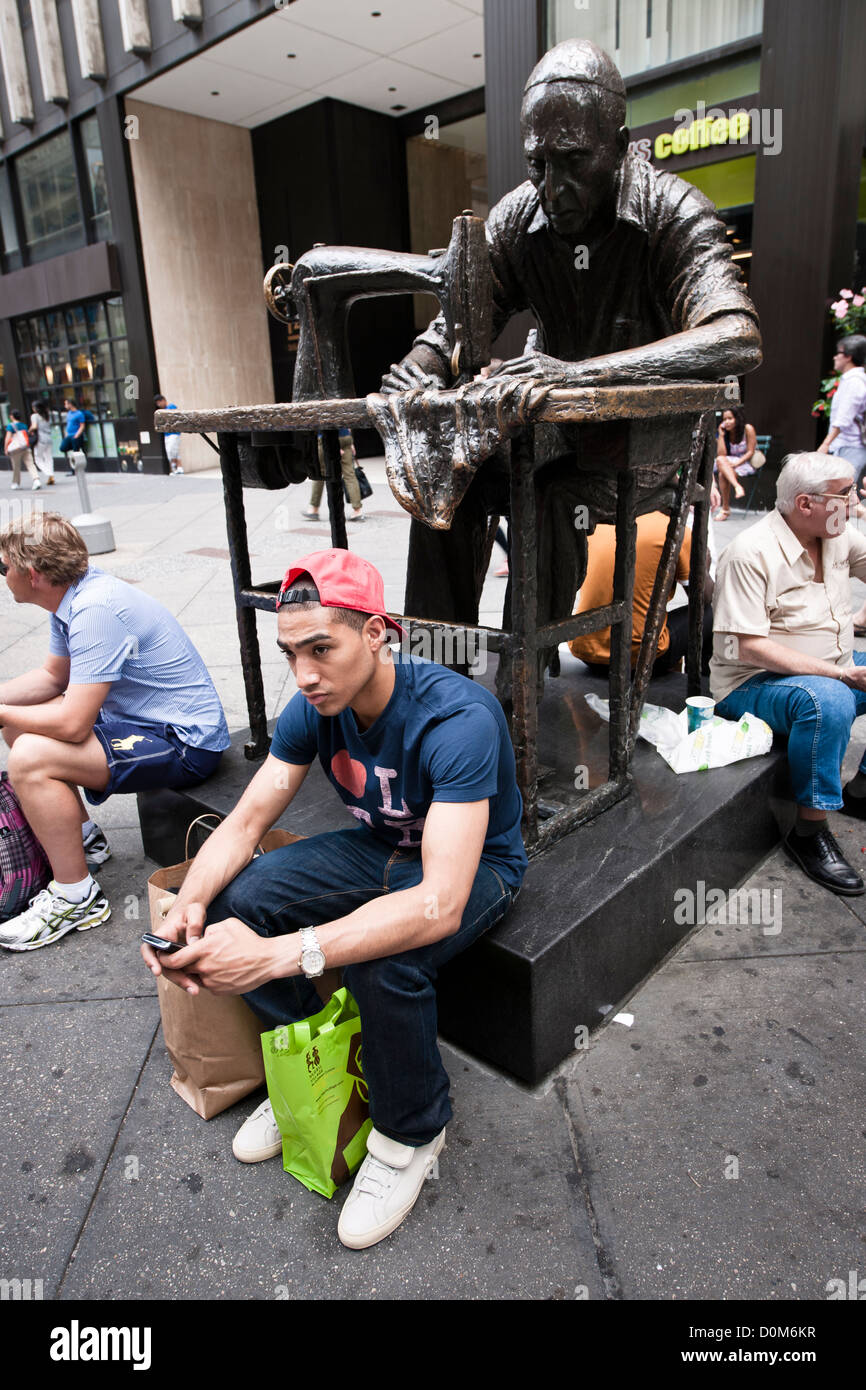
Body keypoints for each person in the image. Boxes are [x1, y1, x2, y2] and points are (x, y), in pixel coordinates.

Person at [141, 548, 527, 1249]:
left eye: (322, 648)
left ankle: (411, 1133)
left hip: (475, 868)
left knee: (390, 959)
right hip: (380, 850)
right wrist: (184, 910)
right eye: (291, 653)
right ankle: (306, 1060)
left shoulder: (457, 718)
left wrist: (280, 958)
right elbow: (249, 820)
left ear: (377, 633)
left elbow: (439, 901)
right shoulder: (314, 706)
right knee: (242, 894)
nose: (305, 674)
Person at [382, 38, 760, 670]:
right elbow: (460, 319)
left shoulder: (673, 212)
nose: (552, 188)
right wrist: (420, 367)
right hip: (554, 429)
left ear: (619, 142)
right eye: (537, 164)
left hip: (649, 446)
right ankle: (435, 671)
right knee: (451, 481)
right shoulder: (518, 218)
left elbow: (736, 334)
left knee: (549, 492)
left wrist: (579, 375)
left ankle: (515, 685)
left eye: (572, 161)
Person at [0, 512, 230, 951]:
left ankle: (76, 897)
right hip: (141, 720)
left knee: (29, 754)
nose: (2, 575)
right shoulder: (71, 596)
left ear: (31, 574)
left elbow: (71, 722)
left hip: (185, 741)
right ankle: (83, 842)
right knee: (18, 726)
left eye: (2, 567)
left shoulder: (95, 610)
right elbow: (53, 678)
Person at [710, 452, 866, 896]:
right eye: (845, 494)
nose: (853, 503)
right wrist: (841, 677)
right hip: (752, 685)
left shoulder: (836, 533)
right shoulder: (750, 553)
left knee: (832, 689)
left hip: (833, 669)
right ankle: (808, 832)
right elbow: (743, 645)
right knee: (829, 699)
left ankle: (862, 791)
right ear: (805, 503)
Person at [569, 510, 714, 676]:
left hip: (585, 648)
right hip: (640, 658)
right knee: (713, 613)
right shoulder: (676, 529)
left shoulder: (602, 521)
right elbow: (703, 598)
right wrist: (704, 567)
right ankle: (699, 690)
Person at [817, 333, 866, 489]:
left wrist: (825, 444)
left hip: (851, 446)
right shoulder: (851, 381)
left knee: (839, 491)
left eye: (838, 353)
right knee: (840, 491)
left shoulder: (855, 383)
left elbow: (843, 419)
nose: (834, 357)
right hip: (846, 446)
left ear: (848, 356)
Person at [715, 406, 764, 520]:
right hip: (728, 463)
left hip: (744, 463)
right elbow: (721, 454)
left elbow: (751, 452)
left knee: (722, 473)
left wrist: (736, 464)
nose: (726, 422)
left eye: (730, 418)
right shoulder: (725, 433)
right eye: (724, 419)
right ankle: (737, 486)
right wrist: (721, 436)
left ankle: (725, 509)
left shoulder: (748, 429)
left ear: (737, 418)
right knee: (720, 461)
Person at [303, 428, 363, 522]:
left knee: (319, 473)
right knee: (350, 475)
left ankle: (314, 509)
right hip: (346, 437)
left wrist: (335, 446)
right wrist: (351, 442)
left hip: (326, 438)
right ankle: (357, 511)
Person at [4, 411, 40, 491]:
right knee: (30, 464)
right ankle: (36, 480)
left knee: (16, 466)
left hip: (16, 449)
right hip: (25, 447)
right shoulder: (23, 425)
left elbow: (8, 438)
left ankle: (15, 483)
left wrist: (6, 448)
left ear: (12, 416)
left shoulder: (10, 426)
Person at [59, 398, 91, 473]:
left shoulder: (79, 414)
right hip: (69, 436)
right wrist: (67, 435)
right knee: (63, 448)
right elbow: (69, 425)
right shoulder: (69, 413)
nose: (65, 405)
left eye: (66, 404)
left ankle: (75, 470)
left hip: (76, 436)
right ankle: (78, 449)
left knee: (75, 453)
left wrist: (77, 435)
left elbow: (82, 425)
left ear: (70, 404)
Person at [154, 395, 183, 475]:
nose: (158, 404)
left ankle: (179, 468)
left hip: (174, 433)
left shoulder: (171, 406)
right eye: (157, 403)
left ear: (163, 400)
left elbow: (177, 418)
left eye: (159, 402)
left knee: (173, 450)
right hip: (167, 434)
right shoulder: (162, 411)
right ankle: (175, 469)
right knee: (170, 452)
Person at [29, 400, 54, 485]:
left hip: (41, 439)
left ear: (35, 408)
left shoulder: (35, 416)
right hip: (49, 439)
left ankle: (49, 473)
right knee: (48, 458)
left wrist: (29, 430)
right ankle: (51, 476)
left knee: (38, 459)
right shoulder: (47, 415)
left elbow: (34, 426)